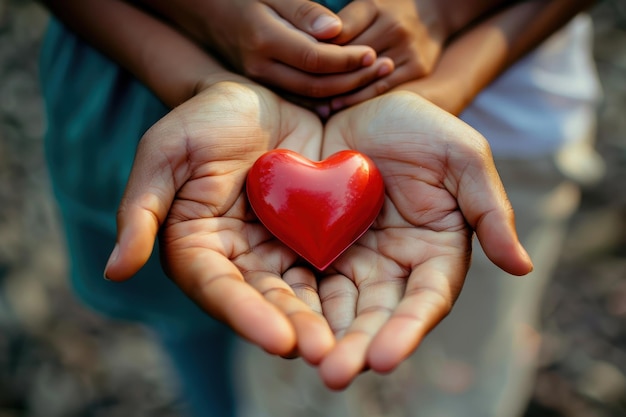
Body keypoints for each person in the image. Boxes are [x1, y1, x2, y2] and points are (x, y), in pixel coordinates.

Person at [36, 1, 600, 417]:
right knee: (209, 334)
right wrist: (200, 26)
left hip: (495, 117)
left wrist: (446, 14)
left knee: (463, 372)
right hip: (182, 138)